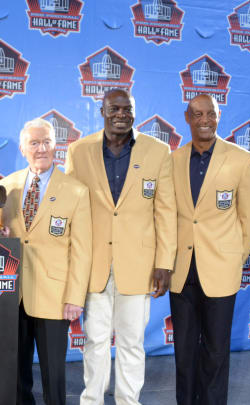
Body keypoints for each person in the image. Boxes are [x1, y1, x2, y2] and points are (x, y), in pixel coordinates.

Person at [65, 89, 177, 405]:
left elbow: (165, 211)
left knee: (131, 342)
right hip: (94, 265)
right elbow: (72, 210)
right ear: (102, 111)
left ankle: (129, 401)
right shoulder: (79, 151)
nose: (121, 114)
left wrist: (165, 262)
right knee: (96, 341)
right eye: (114, 108)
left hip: (139, 266)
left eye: (128, 109)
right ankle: (92, 401)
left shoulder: (158, 151)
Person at [169, 94, 250, 405]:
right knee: (183, 353)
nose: (205, 120)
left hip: (220, 272)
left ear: (218, 117)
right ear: (187, 118)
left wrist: (233, 258)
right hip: (181, 272)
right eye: (198, 114)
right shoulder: (173, 160)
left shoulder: (241, 159)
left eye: (211, 113)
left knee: (215, 352)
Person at [0, 118, 92, 405]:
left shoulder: (76, 190)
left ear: (56, 146)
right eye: (34, 143)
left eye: (47, 142)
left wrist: (75, 297)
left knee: (54, 375)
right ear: (24, 148)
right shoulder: (6, 186)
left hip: (55, 297)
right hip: (13, 296)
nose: (41, 149)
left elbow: (82, 250)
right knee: (16, 374)